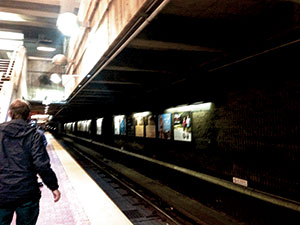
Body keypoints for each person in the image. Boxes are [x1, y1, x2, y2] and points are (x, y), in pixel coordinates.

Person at [0, 99, 60, 225]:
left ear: (10, 113)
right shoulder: (34, 135)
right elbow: (41, 164)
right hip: (27, 193)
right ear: (29, 115)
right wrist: (53, 186)